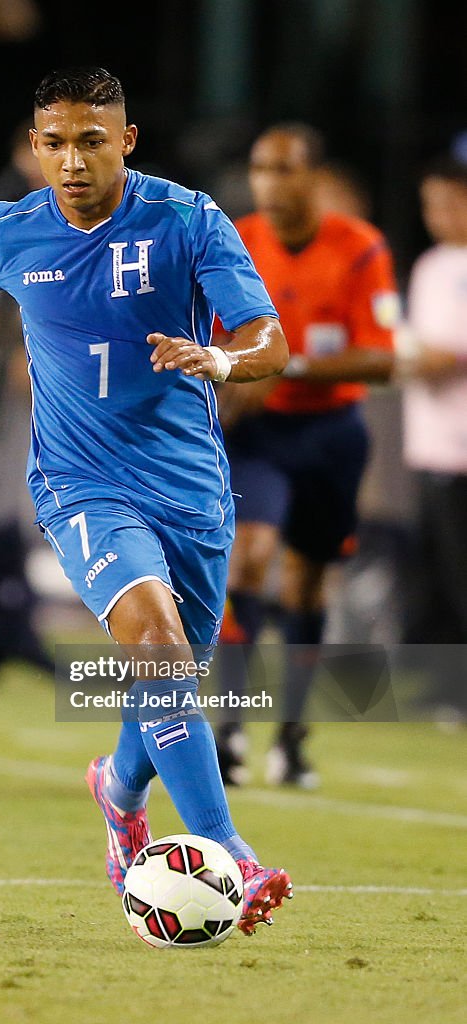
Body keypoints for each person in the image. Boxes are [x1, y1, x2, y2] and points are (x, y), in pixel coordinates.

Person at [0, 66, 293, 934]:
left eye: (91, 140)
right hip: (81, 483)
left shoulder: (188, 220)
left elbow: (268, 338)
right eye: (54, 142)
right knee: (155, 646)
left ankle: (118, 790)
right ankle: (231, 853)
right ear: (34, 145)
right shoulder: (3, 231)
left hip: (191, 486)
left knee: (169, 677)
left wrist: (225, 361)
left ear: (125, 140)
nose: (72, 160)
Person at [213, 123, 399, 787]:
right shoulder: (235, 238)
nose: (268, 181)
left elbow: (379, 357)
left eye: (283, 168)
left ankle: (290, 738)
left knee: (306, 583)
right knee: (249, 558)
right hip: (257, 436)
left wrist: (279, 371)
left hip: (328, 433)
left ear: (311, 178)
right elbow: (211, 336)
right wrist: (230, 376)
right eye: (260, 167)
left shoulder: (358, 247)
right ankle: (228, 732)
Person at [399, 155, 467, 722]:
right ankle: (444, 688)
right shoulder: (431, 265)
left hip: (462, 447)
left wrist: (395, 357)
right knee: (435, 577)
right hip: (433, 445)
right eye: (431, 204)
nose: (438, 215)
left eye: (450, 202)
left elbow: (445, 355)